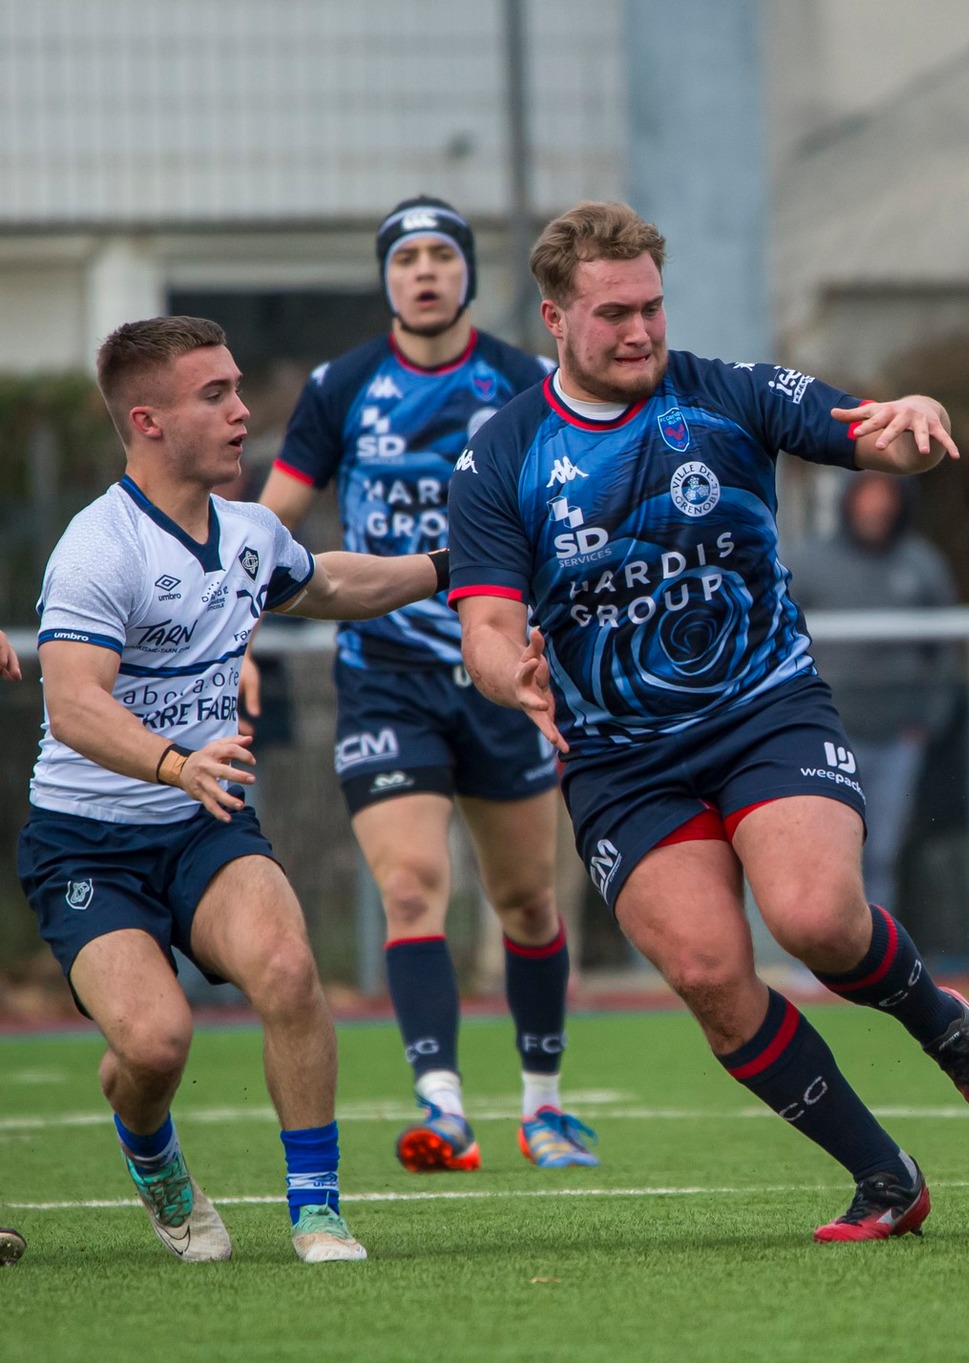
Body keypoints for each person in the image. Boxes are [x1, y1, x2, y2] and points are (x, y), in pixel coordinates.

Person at [448, 202, 969, 1243]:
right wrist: (508, 675)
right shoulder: (503, 456)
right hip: (620, 760)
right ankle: (884, 1176)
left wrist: (910, 423)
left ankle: (942, 1022)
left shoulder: (726, 393)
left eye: (652, 308)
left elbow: (866, 432)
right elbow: (486, 623)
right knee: (713, 975)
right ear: (554, 319)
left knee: (812, 918)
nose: (639, 331)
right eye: (614, 313)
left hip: (763, 708)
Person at [21, 316, 447, 1263]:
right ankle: (152, 1152)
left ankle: (318, 1208)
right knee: (156, 1045)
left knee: (290, 971)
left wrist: (448, 570)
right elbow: (76, 704)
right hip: (87, 841)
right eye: (214, 394)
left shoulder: (250, 533)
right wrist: (177, 760)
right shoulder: (99, 548)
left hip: (204, 825)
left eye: (237, 388)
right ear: (149, 421)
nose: (243, 411)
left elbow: (326, 583)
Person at [253, 197, 586, 1173]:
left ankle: (544, 1102)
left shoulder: (527, 381)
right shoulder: (342, 386)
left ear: (470, 273)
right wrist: (229, 625)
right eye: (407, 259)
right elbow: (268, 526)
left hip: (498, 672)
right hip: (383, 676)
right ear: (386, 278)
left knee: (526, 899)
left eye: (444, 254)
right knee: (410, 886)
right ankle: (442, 1106)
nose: (425, 272)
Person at [782, 471, 957, 909]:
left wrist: (928, 720)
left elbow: (949, 650)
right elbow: (779, 640)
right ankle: (815, 964)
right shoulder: (808, 564)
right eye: (868, 495)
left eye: (886, 496)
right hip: (827, 736)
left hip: (900, 737)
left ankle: (874, 963)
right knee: (826, 852)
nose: (877, 506)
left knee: (881, 854)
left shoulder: (922, 564)